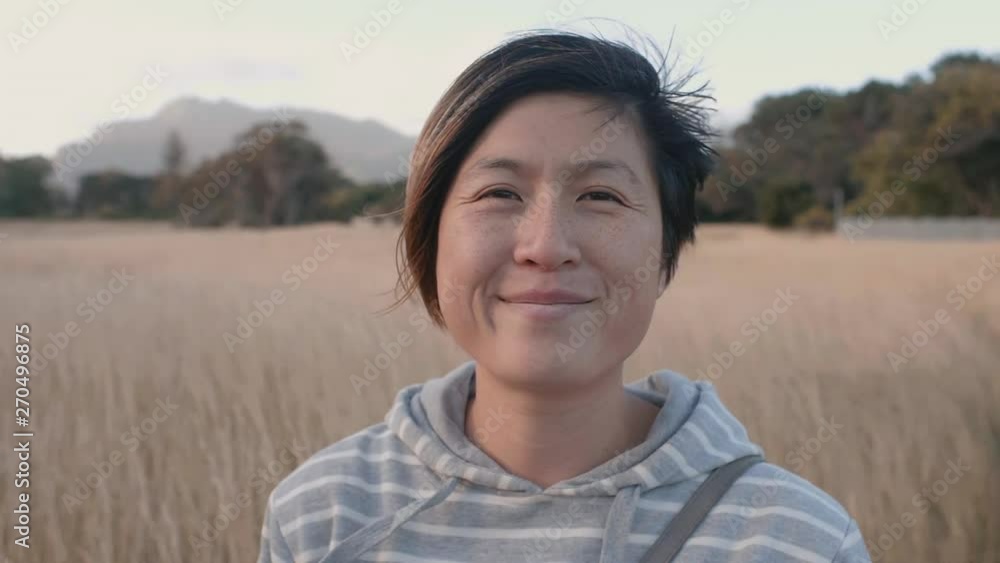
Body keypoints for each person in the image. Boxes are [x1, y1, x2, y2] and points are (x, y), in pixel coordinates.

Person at [258, 30, 873, 563]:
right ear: (430, 237)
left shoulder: (798, 540)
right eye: (499, 194)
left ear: (666, 252)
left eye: (601, 196)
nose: (546, 246)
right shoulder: (324, 514)